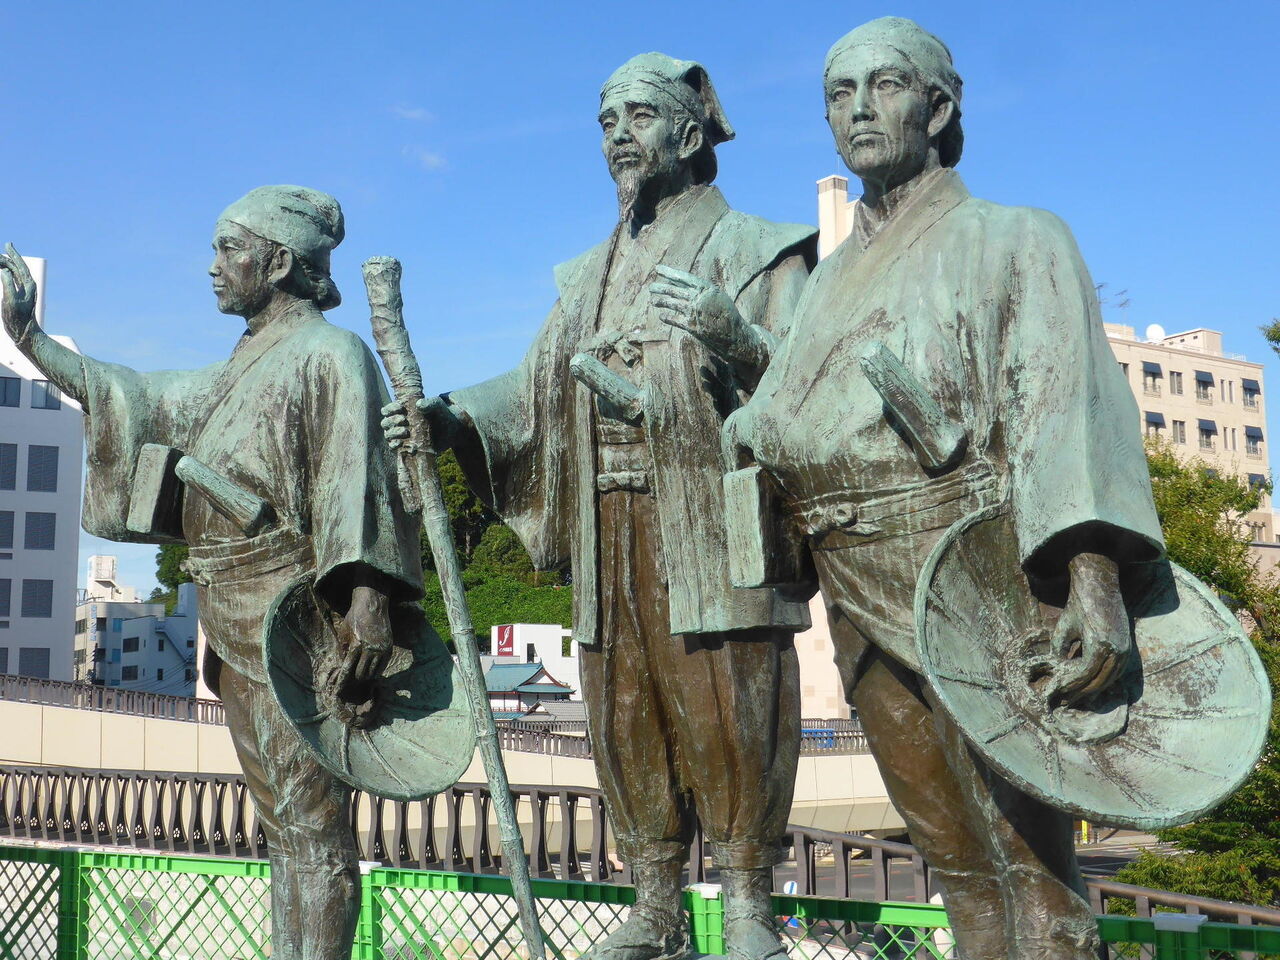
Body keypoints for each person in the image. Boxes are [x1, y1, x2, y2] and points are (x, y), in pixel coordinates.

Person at [678, 18, 1164, 960]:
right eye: (837, 93)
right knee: (959, 867)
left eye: (885, 85)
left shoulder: (1015, 238)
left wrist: (1093, 578)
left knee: (1037, 874)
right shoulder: (824, 284)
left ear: (938, 108)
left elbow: (1064, 410)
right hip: (854, 589)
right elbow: (783, 410)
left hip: (981, 581)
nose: (858, 109)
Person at [386, 53, 816, 960]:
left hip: (711, 518)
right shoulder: (588, 275)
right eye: (606, 120)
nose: (619, 134)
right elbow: (532, 388)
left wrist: (733, 338)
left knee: (731, 701)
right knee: (625, 704)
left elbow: (810, 388)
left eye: (639, 116)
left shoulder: (760, 250)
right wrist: (451, 414)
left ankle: (748, 903)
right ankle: (654, 901)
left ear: (692, 134)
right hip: (608, 518)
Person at [0, 186, 422, 960]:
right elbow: (135, 395)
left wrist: (368, 599)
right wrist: (29, 336)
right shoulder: (241, 365)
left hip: (300, 619)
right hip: (230, 616)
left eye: (230, 248)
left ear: (282, 260)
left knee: (314, 825)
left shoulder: (331, 353)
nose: (213, 267)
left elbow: (357, 480)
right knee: (281, 827)